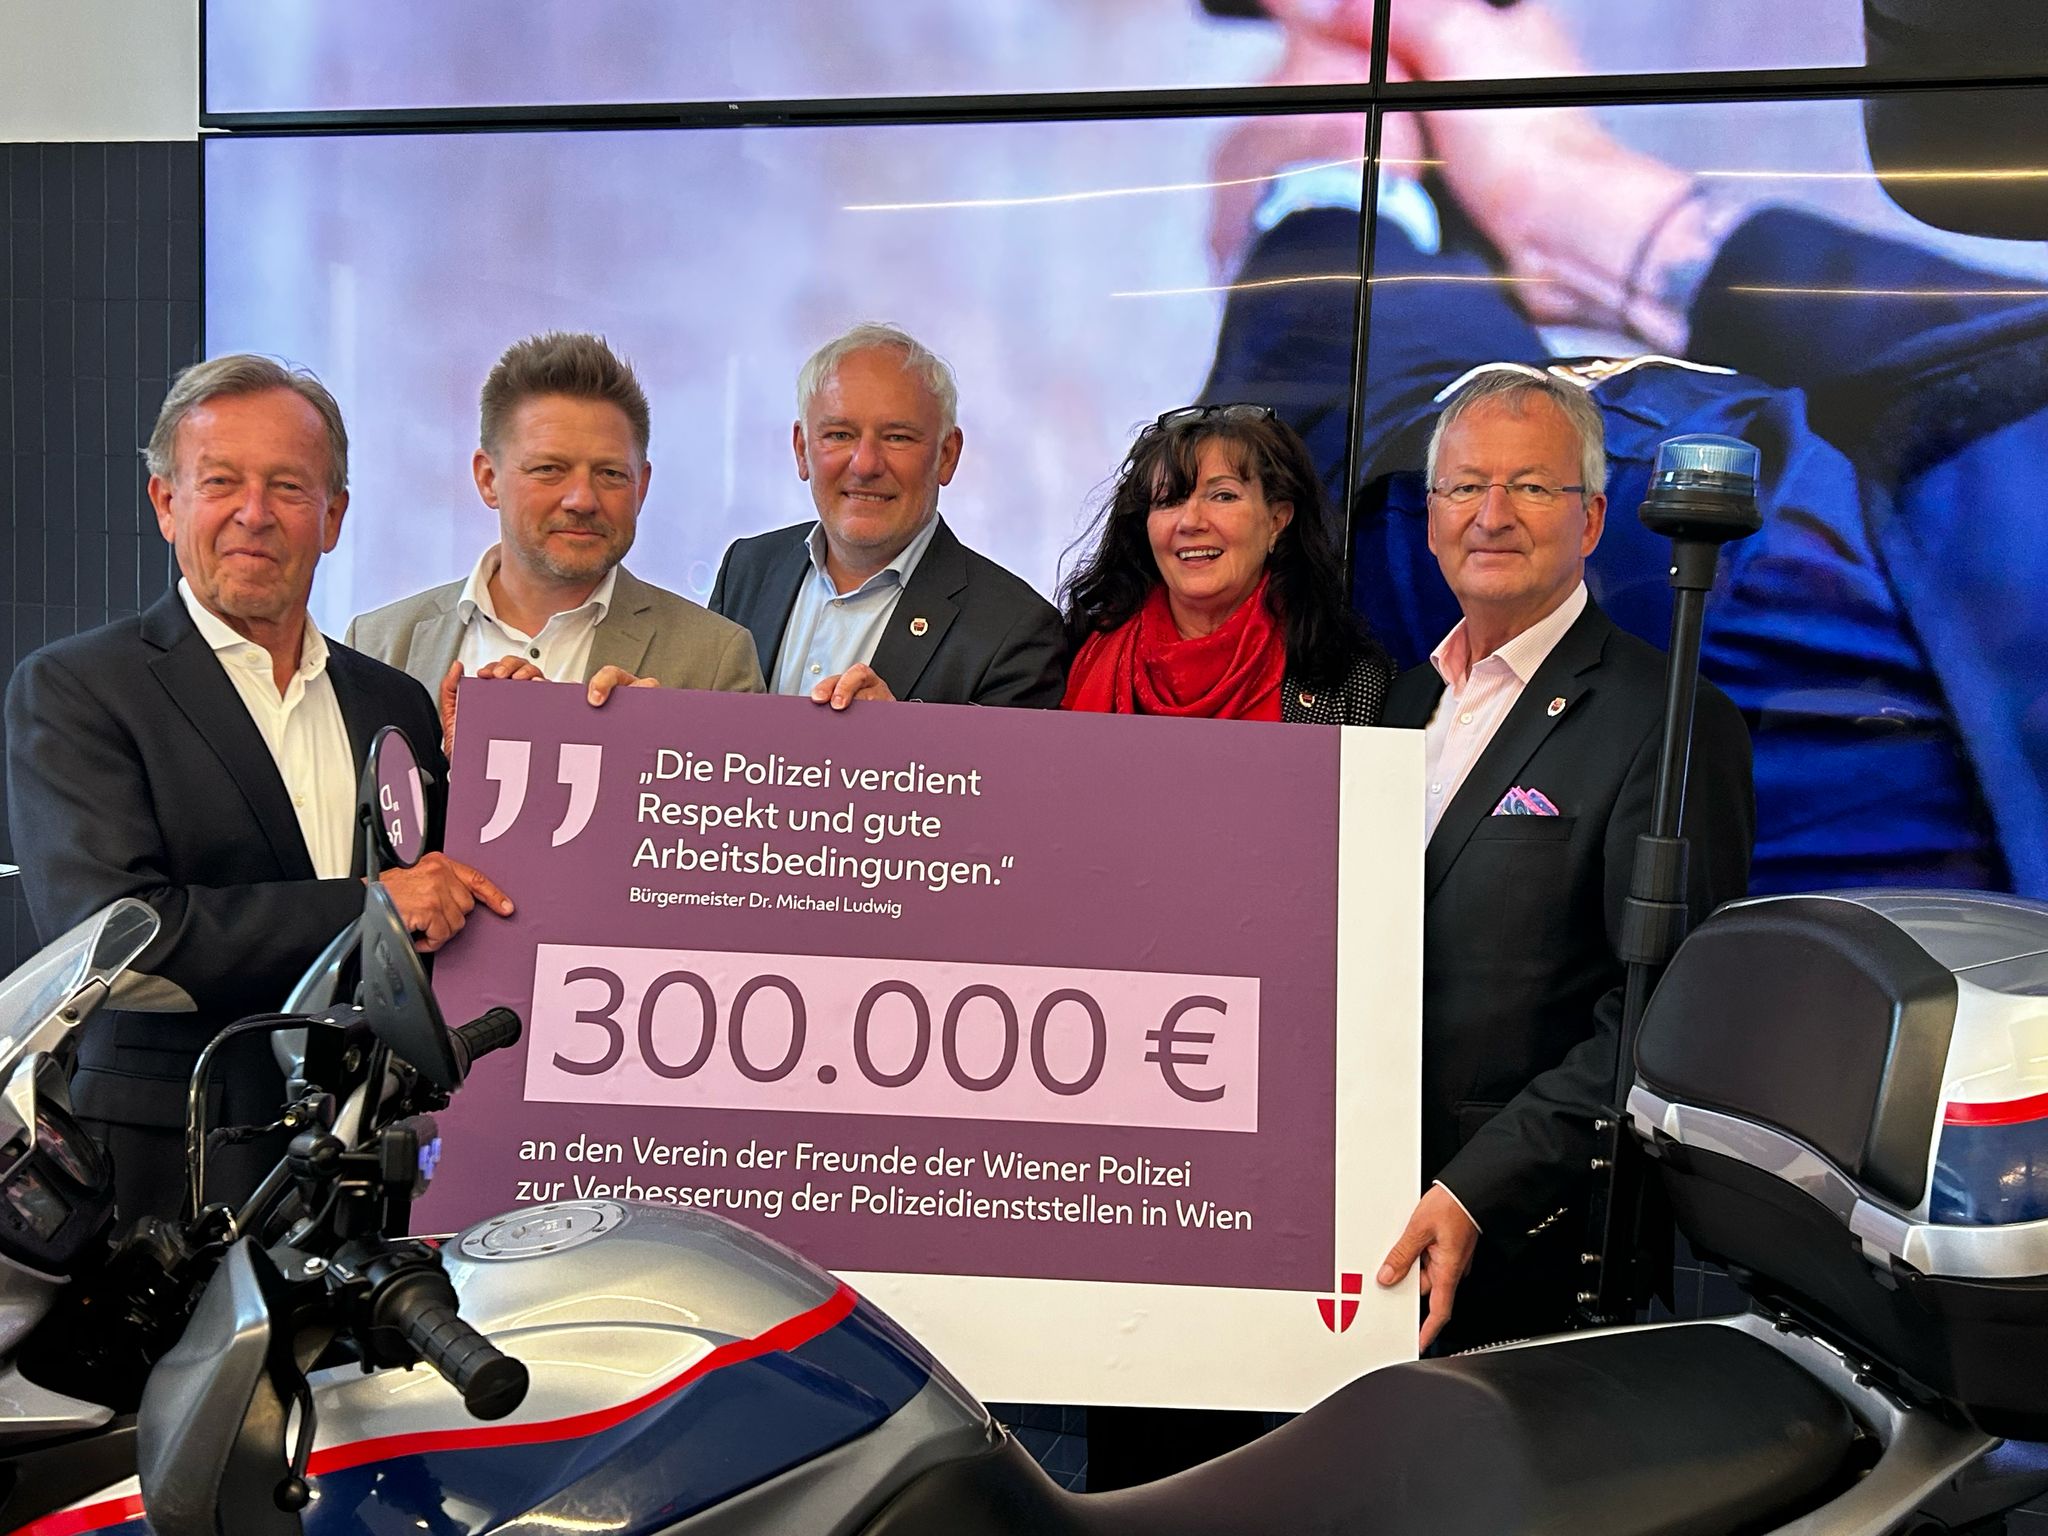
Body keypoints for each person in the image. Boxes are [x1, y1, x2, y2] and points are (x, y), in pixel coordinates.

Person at [1200, 0, 2048, 898]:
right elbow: (1999, 408)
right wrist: (1608, 215)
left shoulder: (1767, 600)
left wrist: (1325, 196)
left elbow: (1372, 515)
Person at [4, 355, 514, 1221]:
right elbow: (118, 940)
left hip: (369, 1172)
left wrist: (496, 780)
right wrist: (370, 908)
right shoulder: (78, 689)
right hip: (170, 1180)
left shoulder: (393, 703)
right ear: (167, 503)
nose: (254, 513)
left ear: (333, 516)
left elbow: (448, 913)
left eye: (288, 486)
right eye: (220, 482)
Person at [1373, 369, 1753, 1354]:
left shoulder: (1668, 720)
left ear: (1590, 520)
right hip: (1360, 1219)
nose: (1491, 515)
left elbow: (1660, 1018)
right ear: (1430, 518)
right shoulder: (1398, 704)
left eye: (1531, 487)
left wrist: (1477, 1189)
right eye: (1465, 486)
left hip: (1523, 1254)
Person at [348, 331, 762, 730]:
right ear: (488, 479)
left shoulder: (715, 660)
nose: (582, 499)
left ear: (641, 487)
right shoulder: (378, 644)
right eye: (549, 469)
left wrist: (645, 754)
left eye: (611, 473)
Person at [709, 323, 1066, 710]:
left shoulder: (1015, 632)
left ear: (947, 455)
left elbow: (1003, 755)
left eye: (898, 437)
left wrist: (899, 736)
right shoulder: (747, 570)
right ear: (801, 450)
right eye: (839, 435)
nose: (865, 465)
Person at [1060, 404, 1391, 724]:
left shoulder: (1351, 683)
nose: (1190, 522)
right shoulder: (1070, 656)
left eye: (1223, 496)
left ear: (1277, 520)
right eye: (1168, 500)